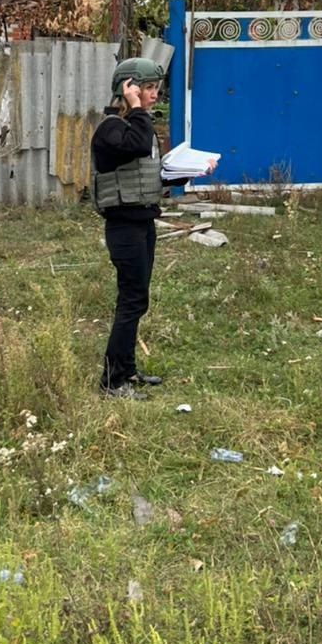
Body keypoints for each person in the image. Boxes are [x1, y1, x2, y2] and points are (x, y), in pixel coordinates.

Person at [91, 57, 216, 399]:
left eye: (155, 89)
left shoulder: (137, 128)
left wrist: (185, 172)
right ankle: (112, 382)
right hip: (124, 227)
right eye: (147, 88)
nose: (154, 95)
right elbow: (132, 145)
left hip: (143, 222)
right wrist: (135, 107)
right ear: (127, 88)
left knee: (138, 299)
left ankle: (127, 370)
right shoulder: (111, 128)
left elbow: (147, 175)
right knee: (131, 301)